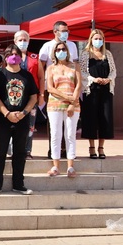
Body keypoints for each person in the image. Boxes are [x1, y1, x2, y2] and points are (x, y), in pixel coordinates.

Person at [0, 44, 38, 196]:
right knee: (0, 152)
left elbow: (33, 96)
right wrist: (6, 113)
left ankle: (18, 184)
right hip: (4, 120)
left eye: (16, 54)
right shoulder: (0, 74)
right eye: (10, 54)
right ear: (5, 56)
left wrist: (24, 112)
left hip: (22, 120)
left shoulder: (27, 75)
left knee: (20, 153)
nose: (14, 56)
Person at [39, 21, 79, 159]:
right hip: (52, 88)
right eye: (63, 30)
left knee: (69, 123)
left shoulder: (73, 45)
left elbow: (75, 66)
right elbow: (41, 67)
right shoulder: (47, 46)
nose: (66, 33)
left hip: (70, 88)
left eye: (67, 30)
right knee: (54, 123)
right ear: (55, 31)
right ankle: (53, 151)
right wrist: (42, 89)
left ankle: (66, 151)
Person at [46, 41, 81, 178]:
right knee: (55, 135)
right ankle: (55, 166)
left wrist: (73, 102)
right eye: (58, 49)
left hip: (73, 105)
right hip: (55, 105)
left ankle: (70, 166)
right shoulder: (51, 68)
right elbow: (50, 88)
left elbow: (78, 86)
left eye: (63, 49)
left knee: (70, 134)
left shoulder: (75, 66)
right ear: (54, 52)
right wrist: (68, 98)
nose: (61, 51)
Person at [79, 29, 116, 159]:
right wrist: (94, 79)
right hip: (91, 90)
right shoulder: (85, 54)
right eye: (96, 38)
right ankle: (92, 147)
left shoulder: (108, 54)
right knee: (91, 118)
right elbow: (82, 72)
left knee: (104, 118)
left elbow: (113, 71)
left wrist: (109, 79)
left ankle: (101, 147)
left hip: (106, 90)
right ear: (91, 40)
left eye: (100, 39)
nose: (98, 41)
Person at [14, 30, 45, 159]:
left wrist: (42, 95)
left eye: (25, 40)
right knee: (14, 123)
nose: (22, 42)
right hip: (14, 98)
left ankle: (27, 151)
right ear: (15, 42)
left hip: (32, 98)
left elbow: (41, 78)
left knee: (30, 125)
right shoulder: (11, 57)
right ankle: (13, 150)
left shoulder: (35, 58)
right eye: (20, 40)